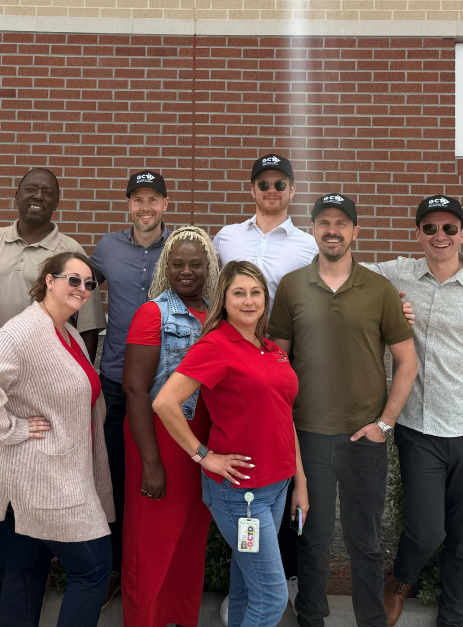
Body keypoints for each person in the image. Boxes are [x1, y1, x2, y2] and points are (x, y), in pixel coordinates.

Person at [361, 195, 463, 627]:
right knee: (425, 530)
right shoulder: (396, 274)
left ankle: (452, 619)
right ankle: (399, 581)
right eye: (430, 228)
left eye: (449, 228)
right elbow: (341, 269)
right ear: (417, 234)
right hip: (419, 428)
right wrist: (387, 302)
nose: (440, 236)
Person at [0, 168, 107, 616]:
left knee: (26, 560)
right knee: (91, 566)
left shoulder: (69, 326)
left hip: (48, 452)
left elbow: (87, 341)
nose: (80, 288)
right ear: (48, 281)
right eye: (72, 282)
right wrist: (10, 426)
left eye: (87, 283)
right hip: (26, 441)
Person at [268, 193, 418, 627]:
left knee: (365, 542)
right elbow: (277, 364)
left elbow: (407, 361)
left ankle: (370, 620)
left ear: (356, 231)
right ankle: (311, 618)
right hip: (307, 437)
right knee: (310, 539)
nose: (332, 230)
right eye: (323, 222)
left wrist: (384, 424)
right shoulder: (294, 286)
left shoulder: (380, 289)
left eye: (341, 223)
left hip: (362, 438)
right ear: (313, 229)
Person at [153, 260, 308, 627]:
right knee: (272, 597)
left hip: (277, 487)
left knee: (247, 590)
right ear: (224, 298)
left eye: (256, 293)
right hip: (242, 494)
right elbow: (164, 402)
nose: (249, 301)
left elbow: (284, 416)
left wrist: (300, 482)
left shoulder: (270, 348)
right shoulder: (216, 345)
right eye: (239, 292)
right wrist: (202, 456)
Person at [119, 226, 220, 627]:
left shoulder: (216, 312)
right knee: (152, 542)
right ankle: (146, 619)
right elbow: (135, 390)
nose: (186, 271)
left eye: (195, 264)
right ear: (166, 266)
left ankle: (179, 618)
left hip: (200, 442)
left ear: (208, 266)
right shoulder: (154, 313)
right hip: (159, 440)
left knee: (188, 541)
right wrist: (151, 463)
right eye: (177, 264)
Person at [90, 170, 173, 603]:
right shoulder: (107, 248)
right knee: (113, 476)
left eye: (153, 199)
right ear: (128, 204)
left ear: (164, 204)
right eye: (138, 199)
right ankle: (114, 570)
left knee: (164, 474)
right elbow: (79, 291)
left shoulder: (182, 245)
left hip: (167, 382)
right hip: (117, 378)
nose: (146, 207)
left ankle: (158, 572)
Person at [211, 154, 317, 306]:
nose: (271, 190)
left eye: (280, 184)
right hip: (230, 330)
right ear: (253, 190)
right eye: (263, 185)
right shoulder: (225, 237)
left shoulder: (310, 247)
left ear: (292, 190)